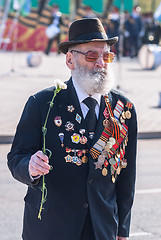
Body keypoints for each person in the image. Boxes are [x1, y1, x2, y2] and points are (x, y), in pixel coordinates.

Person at [7, 18, 137, 240]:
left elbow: (127, 177)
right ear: (70, 59)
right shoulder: (43, 103)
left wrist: (122, 228)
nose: (101, 63)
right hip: (52, 226)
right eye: (91, 56)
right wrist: (30, 166)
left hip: (101, 228)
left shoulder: (123, 109)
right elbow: (17, 156)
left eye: (106, 56)